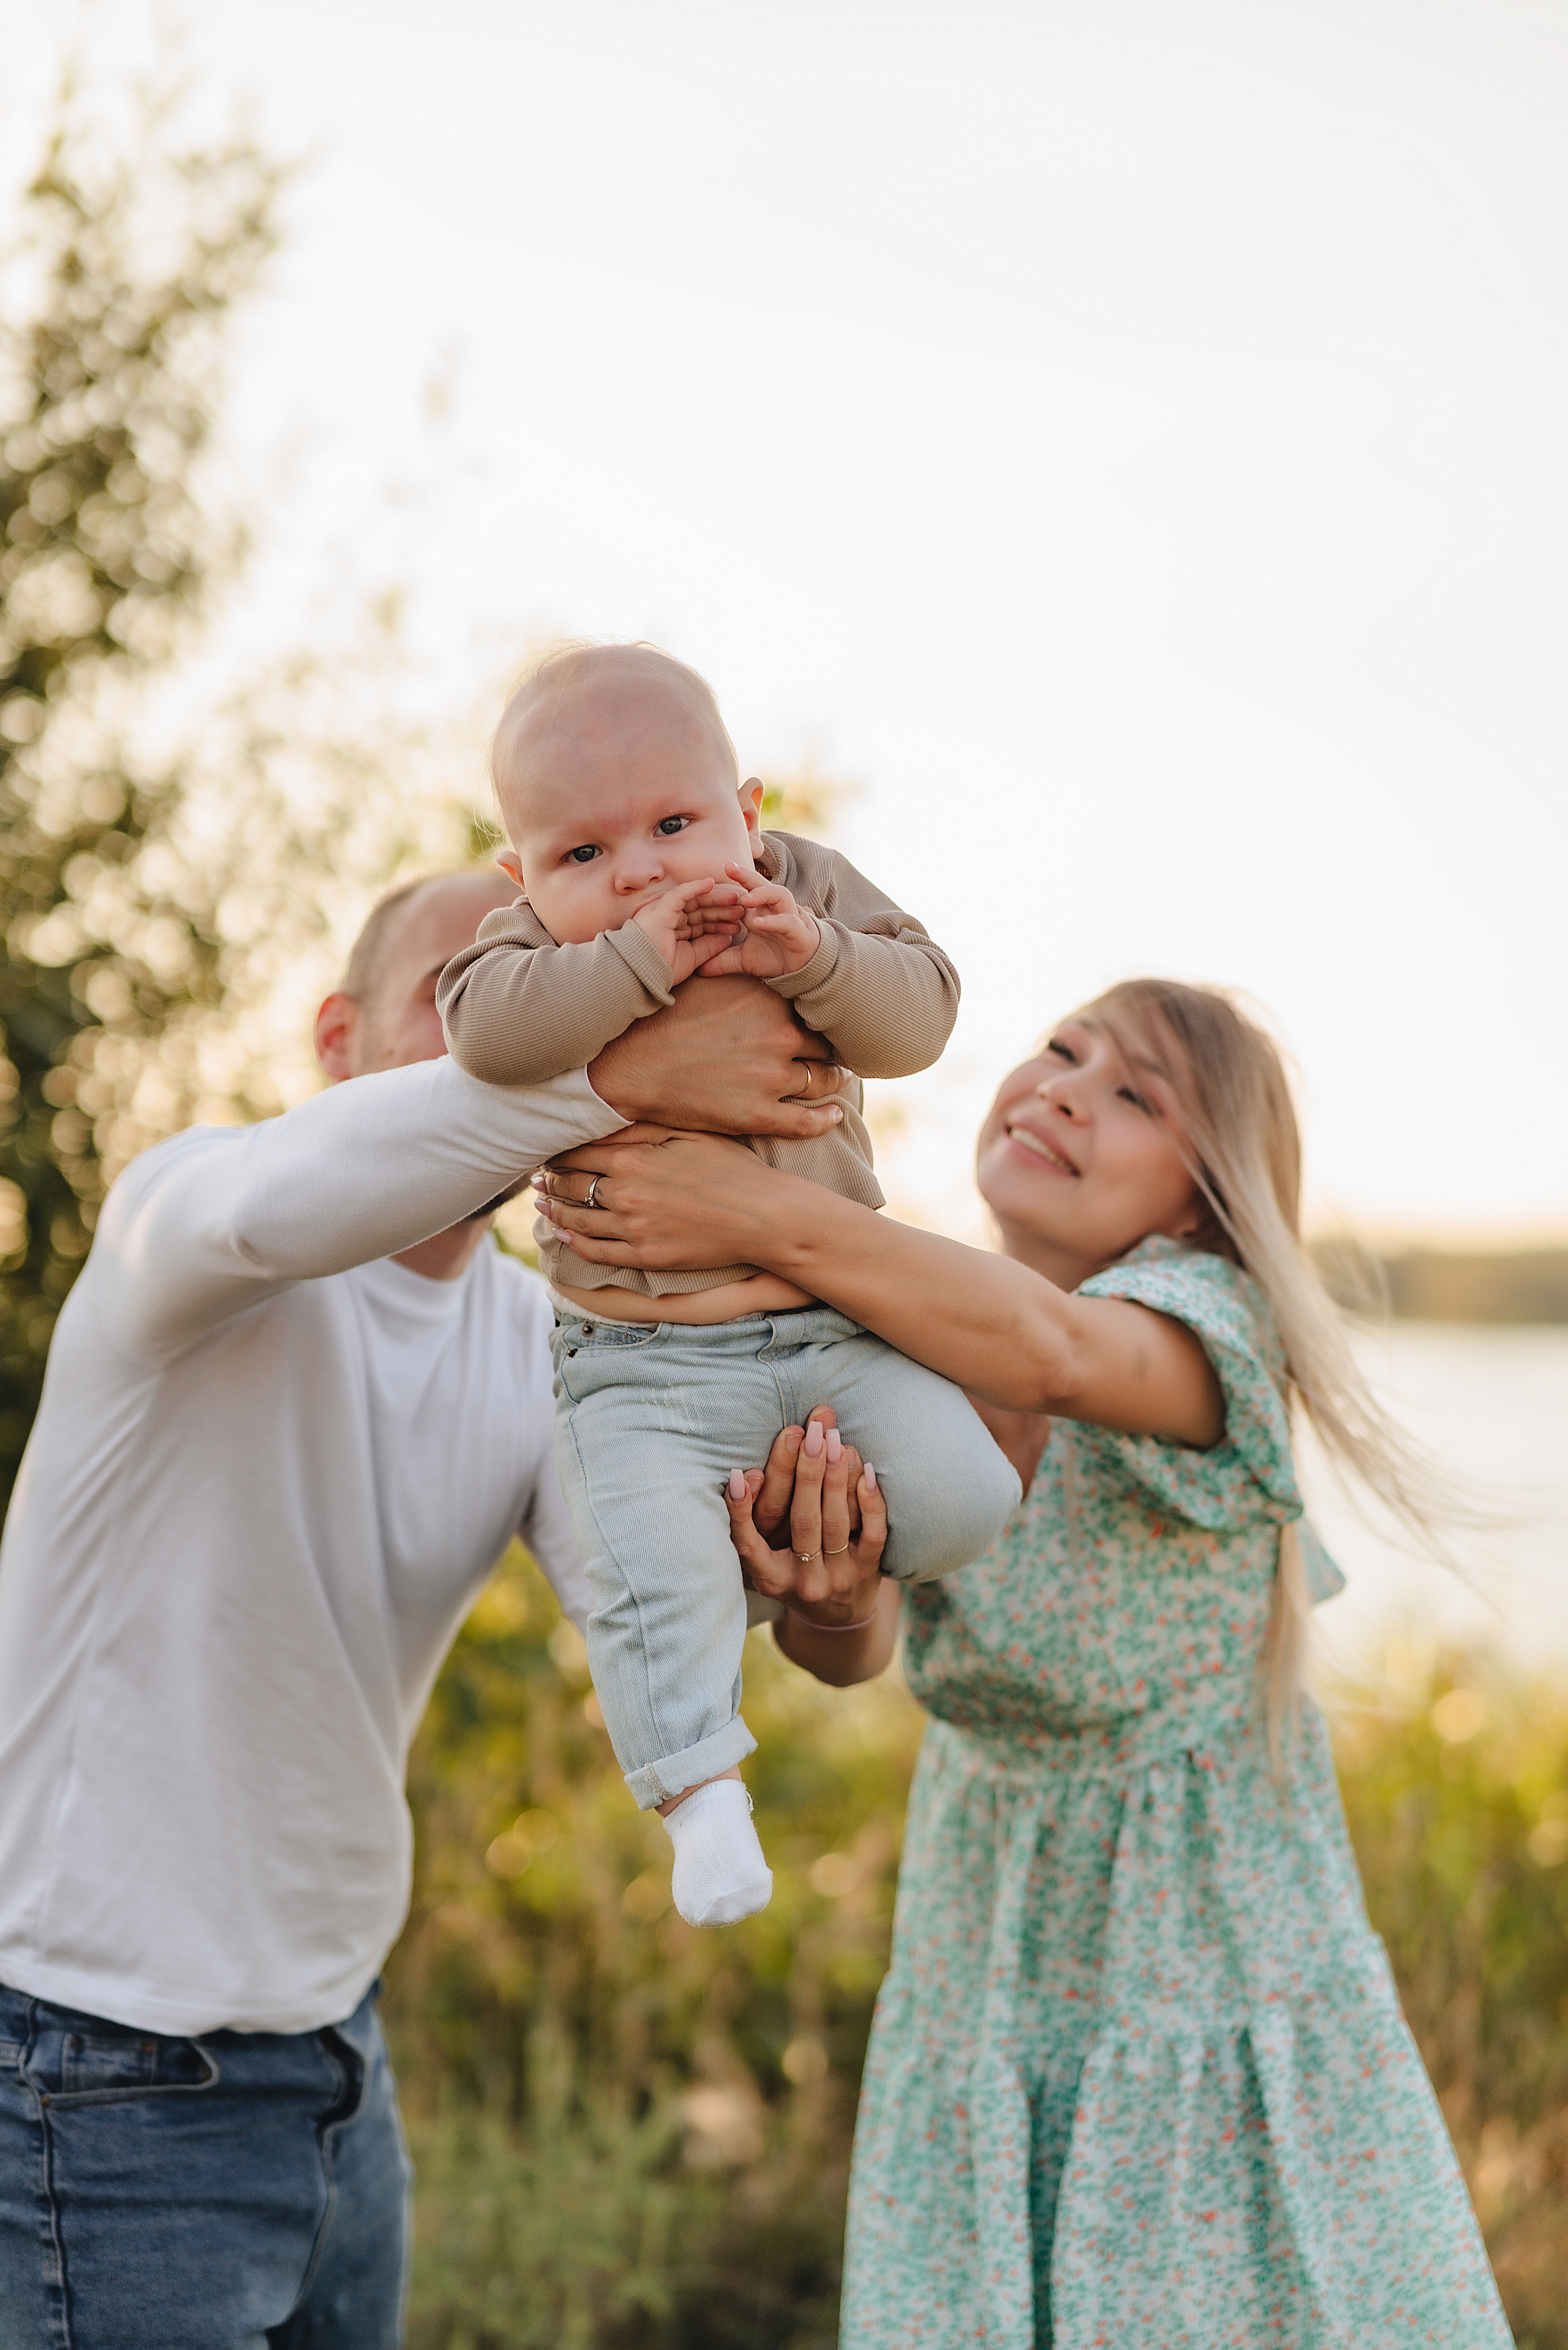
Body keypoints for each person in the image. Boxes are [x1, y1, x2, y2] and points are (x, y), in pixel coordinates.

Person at [535, 976, 1512, 2348]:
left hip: (1199, 1969)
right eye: (1062, 1048)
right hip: (984, 1950)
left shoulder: (1196, 1319)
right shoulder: (900, 1342)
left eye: (1133, 1095)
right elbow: (856, 1643)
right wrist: (825, 1584)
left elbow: (1050, 1350)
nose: (1064, 1086)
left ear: (1192, 1199)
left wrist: (758, 1209)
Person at [0, 864, 854, 2350]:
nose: (529, 1030)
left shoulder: (543, 1335)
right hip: (93, 2069)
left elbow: (648, 1610)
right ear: (335, 1039)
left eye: (571, 987)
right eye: (468, 995)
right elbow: (283, 1203)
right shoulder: (191, 1221)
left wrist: (811, 1578)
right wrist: (605, 1071)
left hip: (337, 2057)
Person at [435, 642, 1020, 1927]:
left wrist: (811, 951)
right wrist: (636, 963)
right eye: (579, 854)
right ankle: (700, 1797)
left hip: (833, 1332)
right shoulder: (529, 950)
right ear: (519, 875)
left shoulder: (800, 885)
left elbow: (918, 1014)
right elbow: (486, 1033)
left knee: (968, 1494)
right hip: (643, 1359)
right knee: (637, 1566)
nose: (638, 869)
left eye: (673, 823)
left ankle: (750, 1562)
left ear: (747, 814)